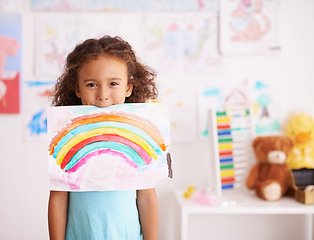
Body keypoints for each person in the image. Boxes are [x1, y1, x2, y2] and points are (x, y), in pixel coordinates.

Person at [48, 35, 159, 240]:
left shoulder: (137, 136)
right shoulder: (68, 137)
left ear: (129, 87)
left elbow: (147, 200)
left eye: (113, 83)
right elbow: (58, 199)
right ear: (77, 88)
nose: (103, 95)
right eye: (91, 84)